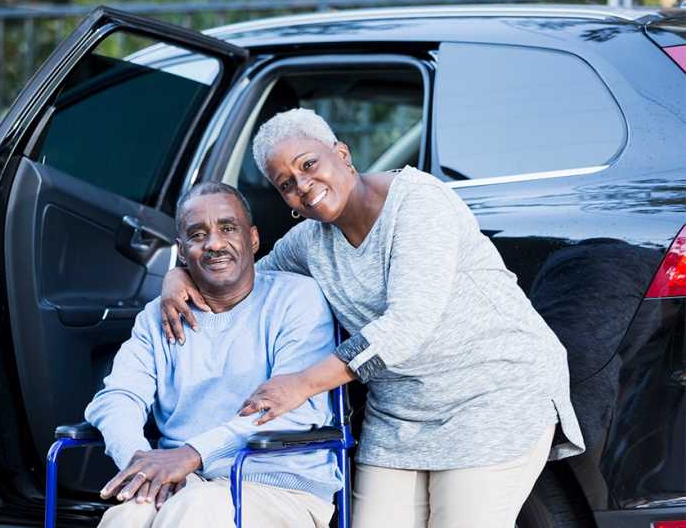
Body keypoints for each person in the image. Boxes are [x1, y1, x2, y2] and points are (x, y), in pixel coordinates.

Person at [159, 108, 586, 528]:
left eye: (310, 165)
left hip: (491, 395)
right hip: (401, 414)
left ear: (341, 153)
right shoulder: (310, 242)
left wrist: (302, 384)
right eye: (287, 184)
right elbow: (245, 279)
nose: (304, 187)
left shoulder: (418, 203)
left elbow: (406, 327)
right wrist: (178, 274)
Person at [85, 182, 342, 528]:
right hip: (186, 480)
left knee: (195, 510)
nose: (215, 244)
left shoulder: (297, 299)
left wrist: (192, 455)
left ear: (252, 239)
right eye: (197, 234)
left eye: (227, 228)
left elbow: (290, 411)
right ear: (181, 250)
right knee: (128, 516)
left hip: (278, 485)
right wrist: (141, 463)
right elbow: (116, 398)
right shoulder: (157, 316)